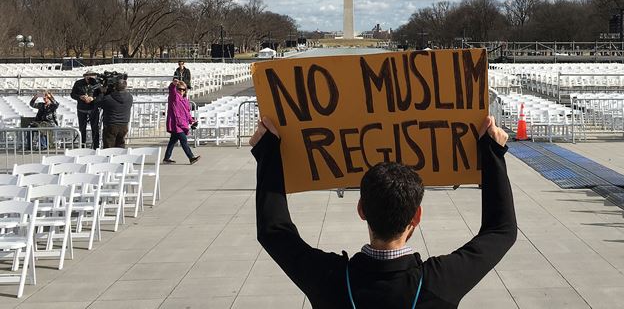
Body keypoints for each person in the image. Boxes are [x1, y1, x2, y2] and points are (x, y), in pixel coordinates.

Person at [249, 115, 516, 308]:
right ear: (417, 216)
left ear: (361, 209)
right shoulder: (441, 282)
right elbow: (501, 231)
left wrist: (269, 153)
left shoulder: (329, 280)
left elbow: (274, 232)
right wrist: (492, 154)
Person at [162, 80, 200, 165]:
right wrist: (173, 84)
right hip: (176, 123)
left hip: (182, 123)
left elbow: (187, 112)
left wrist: (192, 121)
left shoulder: (185, 100)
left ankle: (166, 158)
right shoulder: (174, 97)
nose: (181, 91)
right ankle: (191, 157)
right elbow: (171, 90)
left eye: (183, 89)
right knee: (183, 139)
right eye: (180, 89)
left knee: (172, 141)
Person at [95, 79, 133, 148]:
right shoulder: (130, 97)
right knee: (120, 147)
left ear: (115, 87)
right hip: (124, 125)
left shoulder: (108, 98)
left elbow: (97, 103)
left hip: (111, 125)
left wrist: (101, 93)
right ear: (125, 86)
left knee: (109, 147)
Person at [70, 71, 101, 149]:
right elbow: (72, 94)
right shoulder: (78, 83)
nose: (89, 78)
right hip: (81, 109)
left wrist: (93, 98)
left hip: (93, 108)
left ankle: (96, 146)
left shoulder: (97, 84)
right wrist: (80, 97)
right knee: (82, 129)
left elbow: (101, 95)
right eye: (87, 76)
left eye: (91, 76)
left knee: (95, 128)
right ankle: (82, 146)